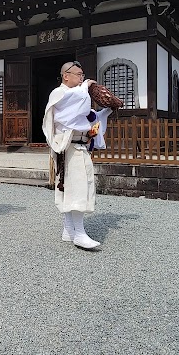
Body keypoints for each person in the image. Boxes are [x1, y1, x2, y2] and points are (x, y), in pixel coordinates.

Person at [42, 61, 111, 250]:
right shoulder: (60, 93)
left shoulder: (76, 96)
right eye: (78, 74)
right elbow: (75, 109)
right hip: (69, 147)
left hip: (79, 146)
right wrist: (85, 86)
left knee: (70, 187)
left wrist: (107, 111)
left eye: (82, 75)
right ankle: (79, 233)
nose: (82, 78)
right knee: (78, 187)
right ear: (66, 75)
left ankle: (68, 230)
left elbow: (89, 116)